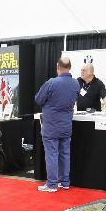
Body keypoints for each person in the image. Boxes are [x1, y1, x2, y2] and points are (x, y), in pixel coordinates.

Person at [34, 56, 80, 192]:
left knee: (52, 154)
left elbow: (38, 99)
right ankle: (65, 182)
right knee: (65, 153)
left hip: (51, 126)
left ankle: (52, 184)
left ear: (58, 67)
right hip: (66, 125)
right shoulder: (76, 84)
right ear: (70, 67)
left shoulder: (51, 83)